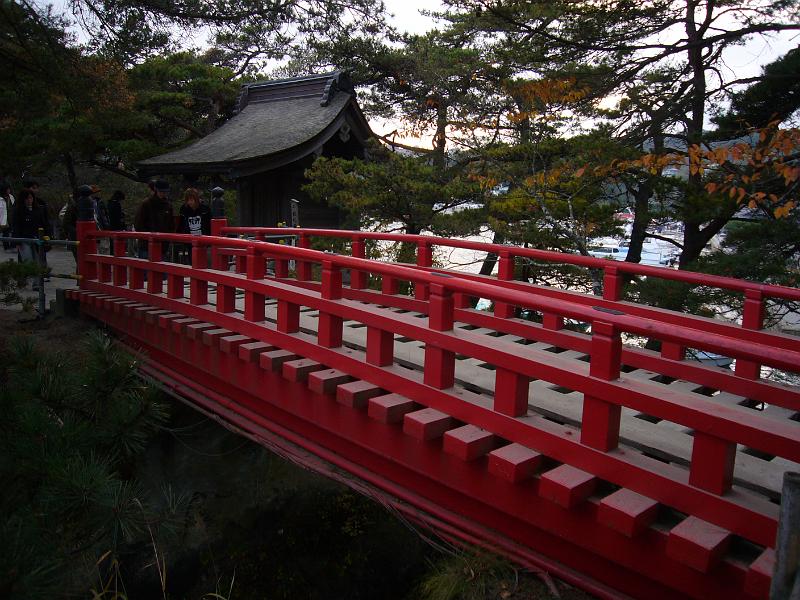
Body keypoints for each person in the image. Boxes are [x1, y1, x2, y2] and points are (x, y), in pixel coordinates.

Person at [135, 179, 174, 259]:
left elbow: (171, 224)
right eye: (161, 191)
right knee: (146, 269)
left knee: (162, 269)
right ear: (156, 190)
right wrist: (147, 236)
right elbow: (139, 224)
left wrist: (168, 238)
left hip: (163, 244)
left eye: (165, 192)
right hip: (147, 244)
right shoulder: (146, 204)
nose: (163, 194)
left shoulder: (168, 206)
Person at [12, 188, 47, 265]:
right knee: (27, 260)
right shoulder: (18, 211)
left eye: (31, 198)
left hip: (37, 238)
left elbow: (43, 224)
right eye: (27, 198)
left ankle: (38, 276)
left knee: (39, 260)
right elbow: (16, 226)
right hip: (24, 239)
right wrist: (17, 242)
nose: (29, 200)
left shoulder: (38, 210)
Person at [0, 182, 13, 250]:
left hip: (9, 217)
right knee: (6, 232)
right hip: (3, 217)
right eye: (8, 189)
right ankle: (6, 246)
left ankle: (10, 245)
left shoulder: (10, 197)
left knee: (8, 231)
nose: (9, 190)